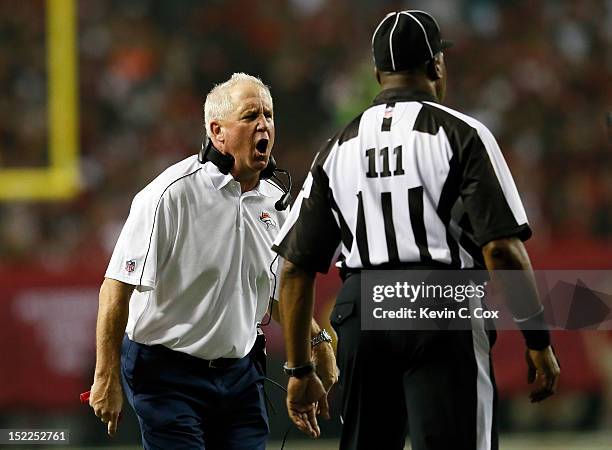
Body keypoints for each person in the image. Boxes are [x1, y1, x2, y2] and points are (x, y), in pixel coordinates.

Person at [272, 11, 560, 450]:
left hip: (363, 307)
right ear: (436, 65)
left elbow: (293, 268)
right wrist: (537, 338)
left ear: (377, 73)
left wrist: (298, 370)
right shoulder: (462, 133)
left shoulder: (336, 147)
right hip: (440, 303)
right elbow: (501, 249)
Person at [88, 72, 337, 449]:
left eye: (268, 116)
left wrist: (317, 341)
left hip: (240, 375)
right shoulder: (170, 195)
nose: (263, 125)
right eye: (250, 115)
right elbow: (115, 288)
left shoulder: (275, 202)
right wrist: (105, 376)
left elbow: (277, 293)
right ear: (217, 131)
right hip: (166, 375)